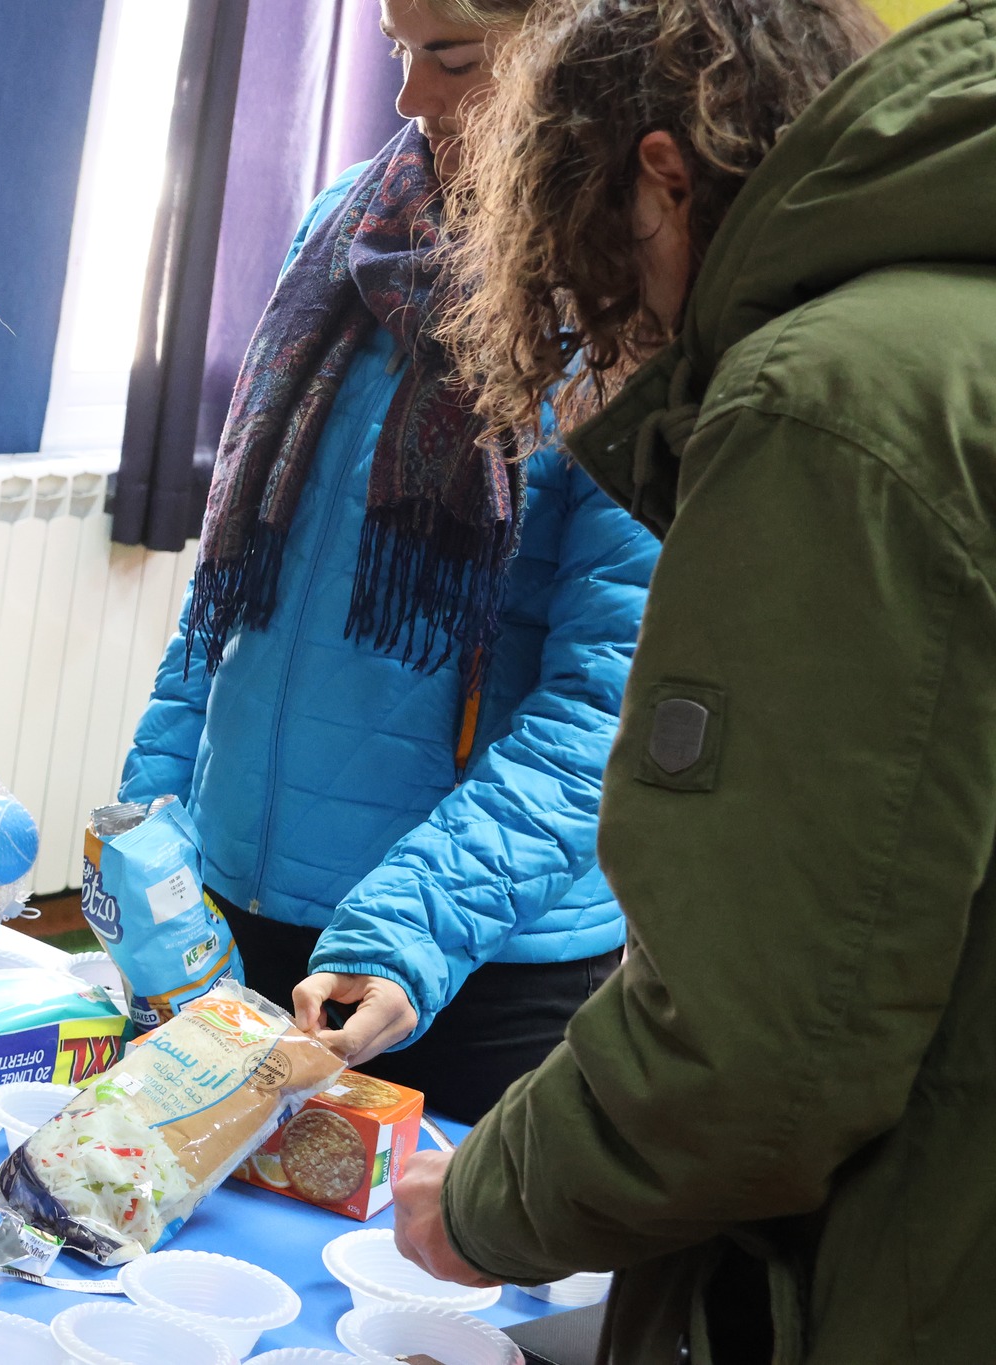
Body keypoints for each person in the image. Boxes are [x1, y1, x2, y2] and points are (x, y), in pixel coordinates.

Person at [388, 2, 996, 1360]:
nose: (622, 318)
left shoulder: (822, 399)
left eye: (601, 265)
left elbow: (760, 1044)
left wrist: (484, 1199)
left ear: (662, 178)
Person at [119, 0, 655, 1123]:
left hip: (458, 960)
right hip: (238, 911)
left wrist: (404, 933)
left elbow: (605, 709)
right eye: (396, 54)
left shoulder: (631, 304)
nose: (408, 99)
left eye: (450, 57)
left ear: (571, 42)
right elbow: (233, 588)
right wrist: (152, 813)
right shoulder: (343, 230)